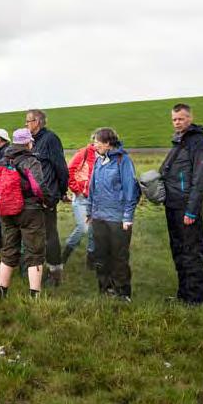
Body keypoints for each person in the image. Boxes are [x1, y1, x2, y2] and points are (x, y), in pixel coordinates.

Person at [160, 103, 203, 305]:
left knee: (191, 252)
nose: (177, 122)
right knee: (178, 250)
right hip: (173, 204)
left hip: (187, 207)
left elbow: (200, 180)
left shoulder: (198, 143)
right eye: (174, 119)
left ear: (190, 118)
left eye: (181, 118)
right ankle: (183, 293)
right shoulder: (179, 141)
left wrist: (192, 210)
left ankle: (196, 299)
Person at [86, 128, 141, 301]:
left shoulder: (123, 161)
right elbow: (92, 189)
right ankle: (105, 290)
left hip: (117, 219)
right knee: (101, 256)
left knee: (119, 257)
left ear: (108, 143)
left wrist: (127, 217)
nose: (94, 145)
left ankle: (122, 293)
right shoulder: (98, 161)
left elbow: (130, 190)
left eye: (97, 142)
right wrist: (89, 211)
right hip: (99, 217)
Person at [0, 128, 48, 299]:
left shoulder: (2, 161)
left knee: (9, 249)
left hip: (6, 210)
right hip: (29, 210)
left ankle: (2, 293)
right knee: (34, 252)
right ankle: (35, 296)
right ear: (28, 143)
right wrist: (48, 201)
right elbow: (38, 188)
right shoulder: (31, 161)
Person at [26, 109, 69, 286]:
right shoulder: (31, 142)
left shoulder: (50, 139)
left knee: (50, 235)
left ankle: (55, 272)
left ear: (38, 122)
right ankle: (36, 269)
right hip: (32, 197)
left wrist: (61, 191)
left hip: (47, 195)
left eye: (28, 121)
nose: (26, 124)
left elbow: (61, 167)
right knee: (35, 234)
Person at [62, 136, 97, 267]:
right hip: (82, 198)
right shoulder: (84, 153)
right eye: (97, 141)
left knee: (94, 230)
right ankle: (64, 256)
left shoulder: (105, 156)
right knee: (83, 228)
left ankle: (91, 260)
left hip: (96, 199)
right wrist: (76, 190)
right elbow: (69, 170)